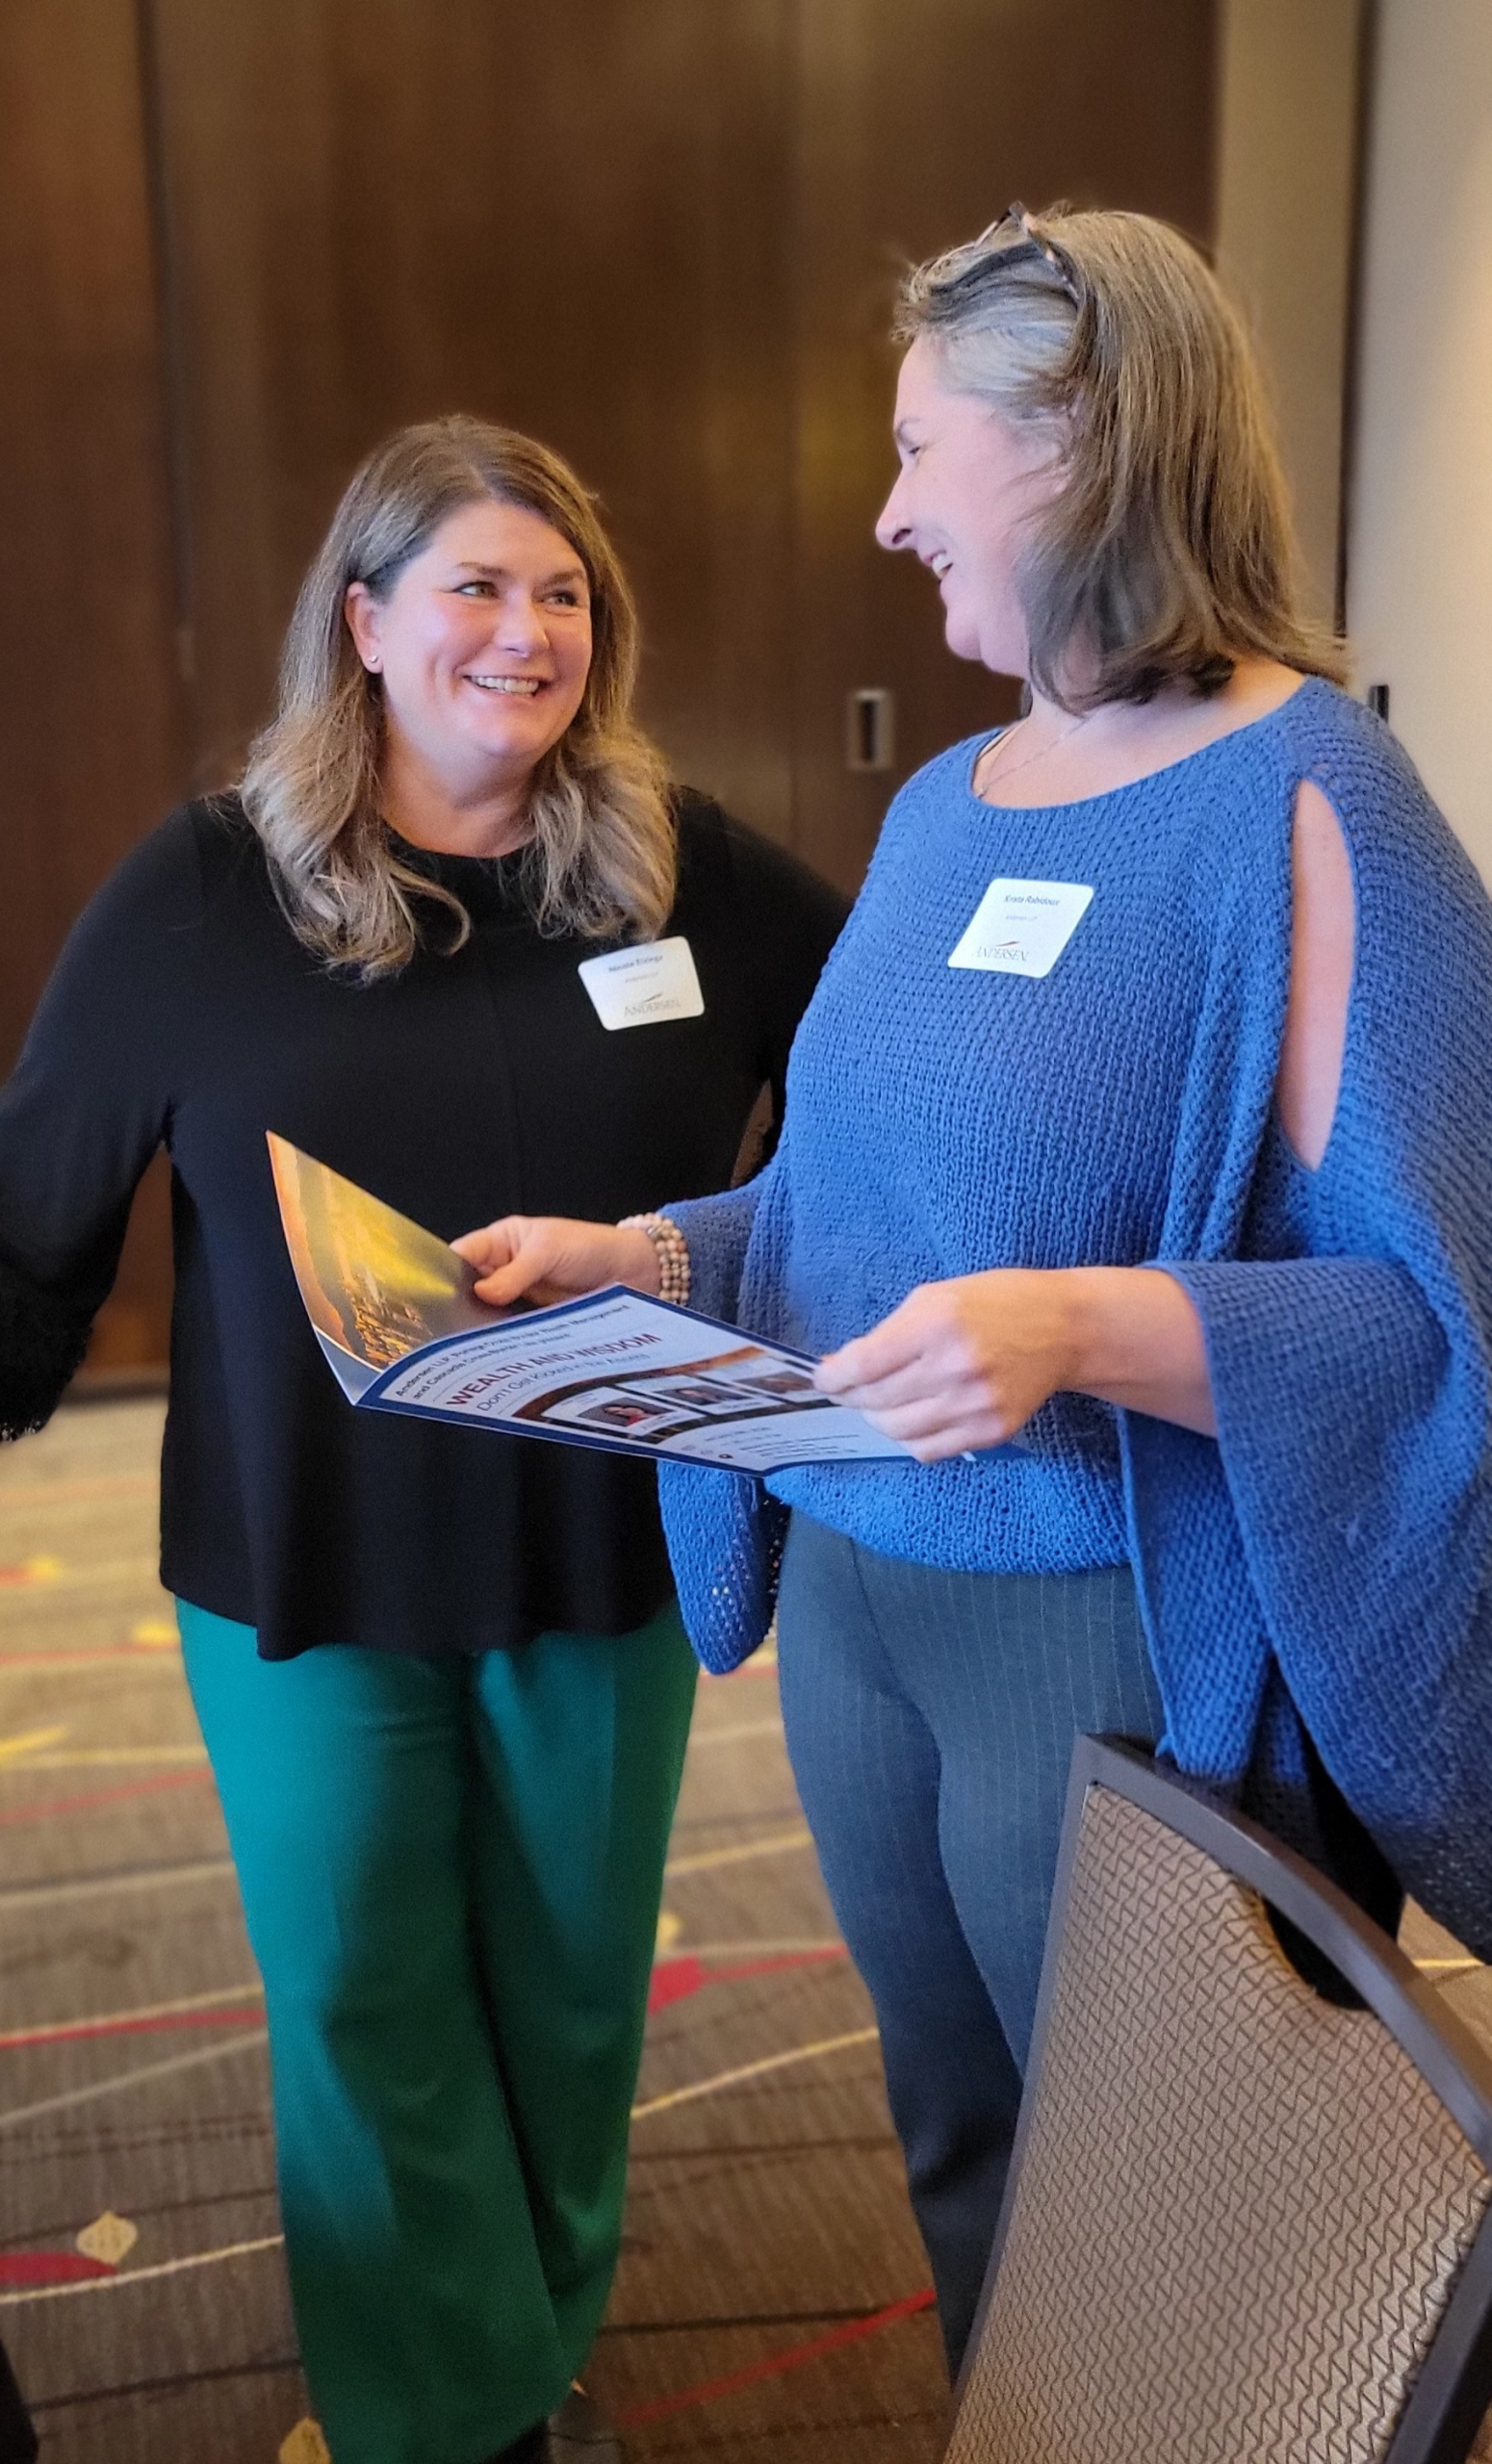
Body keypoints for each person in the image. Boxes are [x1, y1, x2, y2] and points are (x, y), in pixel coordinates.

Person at [453, 208, 1492, 2373]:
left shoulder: (1311, 803)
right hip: (861, 1601)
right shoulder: (946, 800)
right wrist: (649, 1255)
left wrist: (1081, 1326)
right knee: (963, 2149)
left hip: (1101, 1622)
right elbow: (848, 1204)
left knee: (1175, 2207)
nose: (889, 509)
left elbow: (1431, 1322)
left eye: (923, 448)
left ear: (1087, 443)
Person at [0, 416, 846, 2464]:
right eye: (475, 586)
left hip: (599, 1542)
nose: (524, 632)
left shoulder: (685, 870)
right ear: (364, 622)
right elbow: (34, 1212)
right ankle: (440, 2417)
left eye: (562, 594)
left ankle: (520, 2352)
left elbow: (885, 1111)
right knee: (364, 1993)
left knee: (569, 1992)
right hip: (305, 1558)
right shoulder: (207, 890)